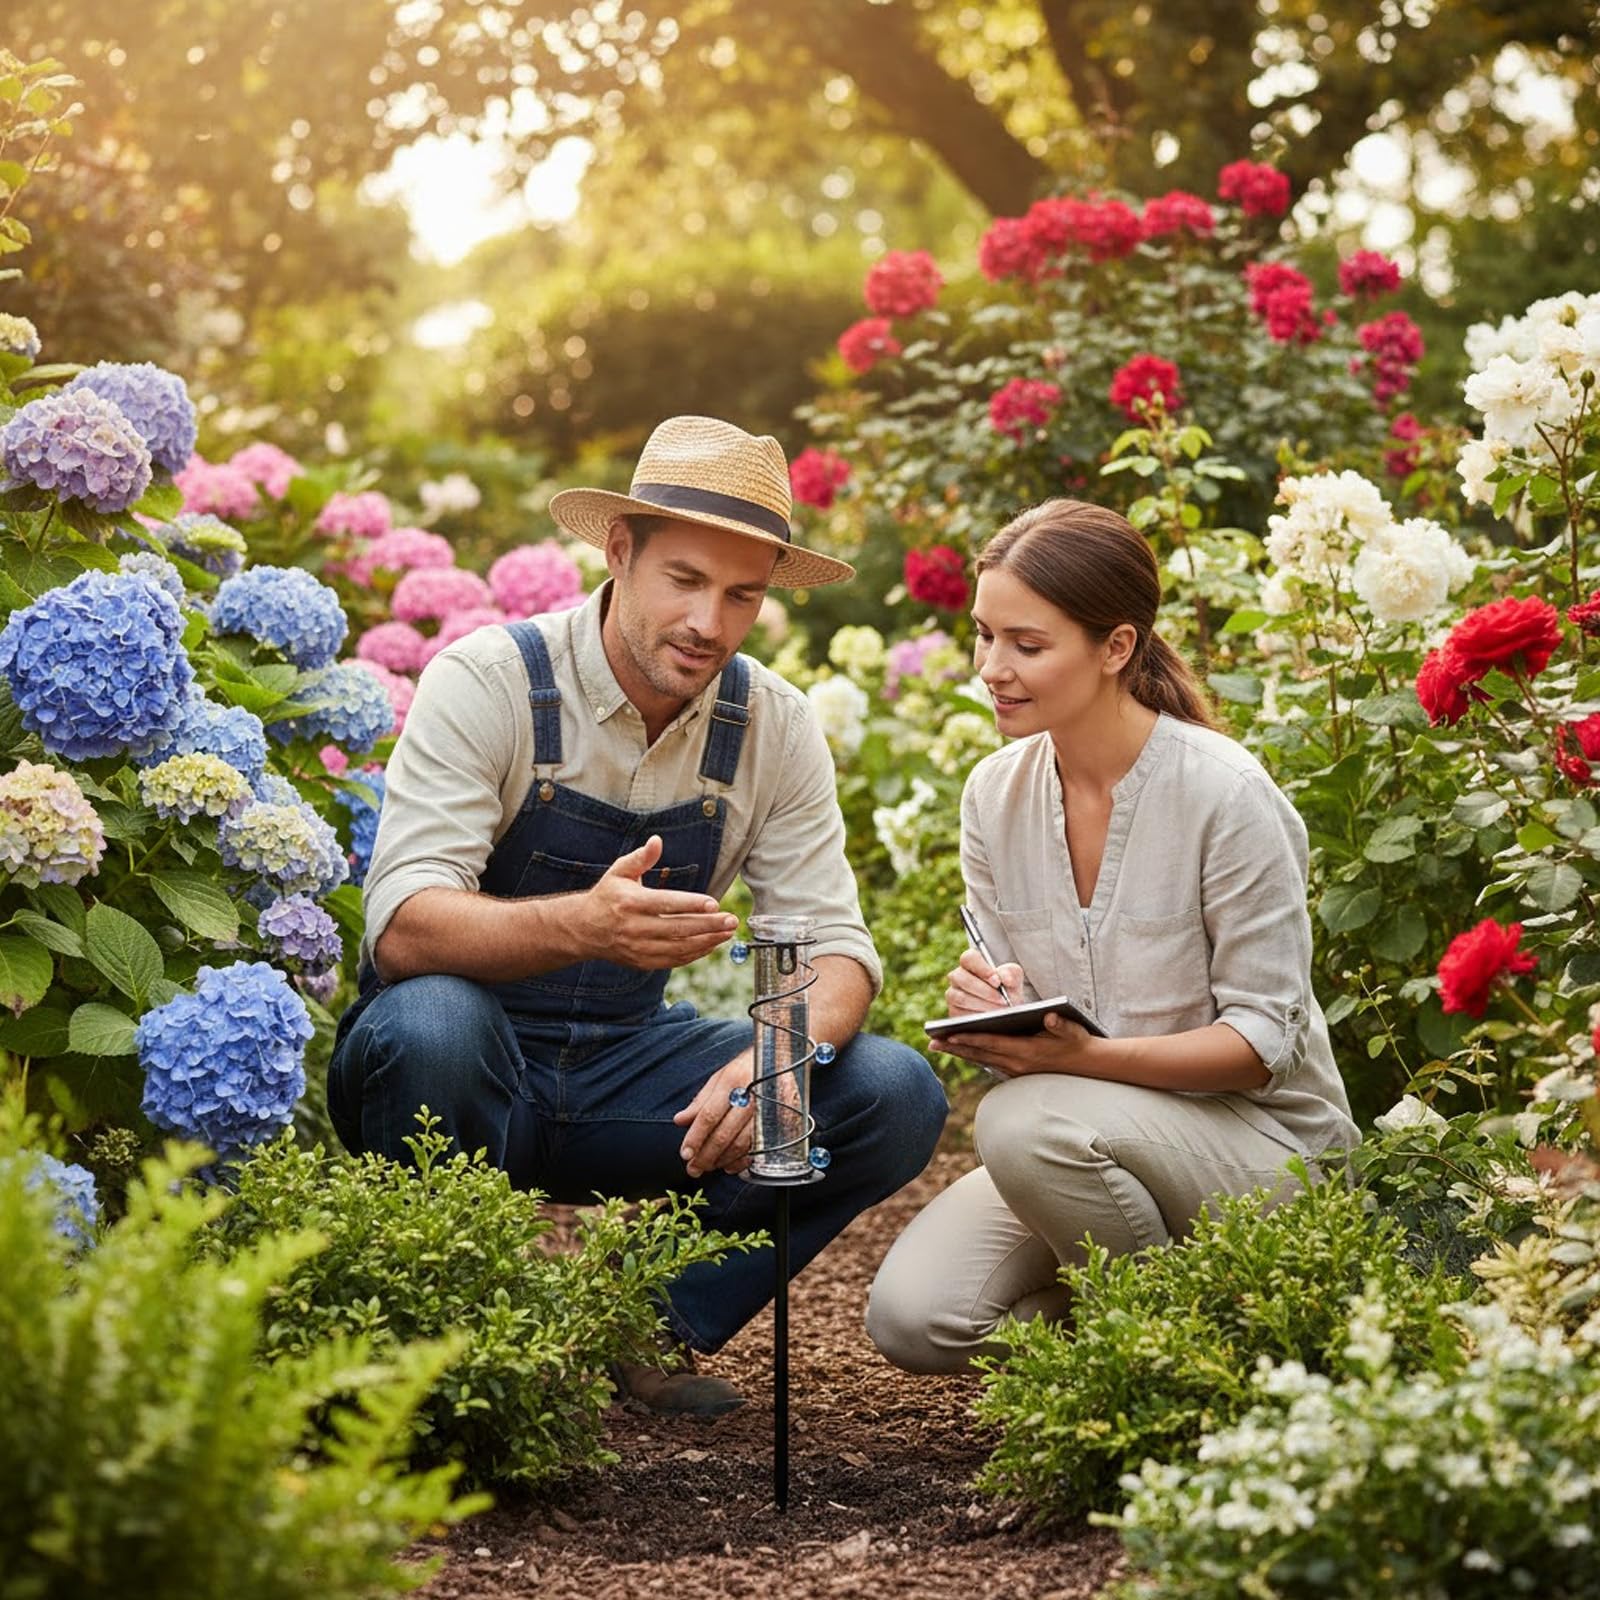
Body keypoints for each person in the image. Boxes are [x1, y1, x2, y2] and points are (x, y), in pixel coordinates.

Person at [329, 415, 948, 1415]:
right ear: (619, 552)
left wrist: (770, 1063)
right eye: (685, 580)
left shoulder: (773, 727)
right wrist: (583, 925)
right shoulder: (490, 680)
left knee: (888, 1088)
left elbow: (835, 953)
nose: (710, 620)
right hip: (461, 1072)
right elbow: (403, 927)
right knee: (435, 1019)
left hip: (624, 1070)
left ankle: (634, 1325)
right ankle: (446, 1349)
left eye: (741, 594)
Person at [866, 499, 1358, 1374]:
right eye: (984, 637)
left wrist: (1072, 1062)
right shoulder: (993, 796)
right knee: (918, 1317)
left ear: (1117, 648)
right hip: (1090, 1138)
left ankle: (1164, 1360)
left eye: (1027, 644)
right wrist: (994, 1009)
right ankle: (1205, 1319)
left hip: (1265, 1152)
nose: (992, 668)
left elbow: (1258, 1046)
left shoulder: (1226, 796)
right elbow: (1037, 1019)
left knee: (1020, 1122)